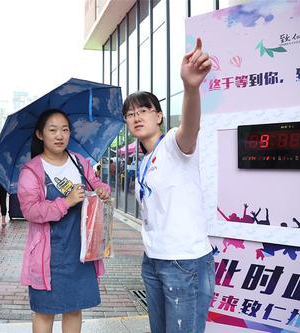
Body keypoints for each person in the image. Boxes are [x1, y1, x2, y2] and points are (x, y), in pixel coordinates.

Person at [123, 38, 215, 333]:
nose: (136, 117)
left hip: (183, 260)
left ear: (159, 116)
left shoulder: (175, 144)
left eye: (143, 110)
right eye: (130, 113)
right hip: (153, 259)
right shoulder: (143, 161)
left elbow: (191, 127)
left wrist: (191, 88)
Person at [17, 108, 111, 333]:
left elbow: (95, 182)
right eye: (53, 130)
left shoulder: (78, 162)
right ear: (40, 134)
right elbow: (30, 210)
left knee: (74, 308)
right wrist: (66, 202)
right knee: (44, 310)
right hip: (49, 256)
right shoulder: (32, 171)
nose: (60, 135)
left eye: (65, 129)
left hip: (80, 251)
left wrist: (101, 190)